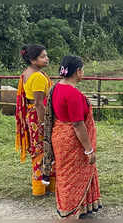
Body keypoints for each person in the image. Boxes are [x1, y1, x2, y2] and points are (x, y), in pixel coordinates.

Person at [42, 55, 101, 219]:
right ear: (78, 71)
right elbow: (78, 124)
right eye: (83, 69)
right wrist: (89, 150)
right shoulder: (72, 93)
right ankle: (69, 212)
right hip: (72, 141)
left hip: (58, 136)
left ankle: (73, 208)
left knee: (65, 176)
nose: (83, 72)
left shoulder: (56, 88)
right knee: (72, 178)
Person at [15, 44, 55, 196]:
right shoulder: (38, 76)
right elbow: (39, 103)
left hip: (31, 115)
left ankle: (41, 187)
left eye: (46, 55)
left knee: (38, 150)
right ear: (33, 60)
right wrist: (45, 123)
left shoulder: (27, 73)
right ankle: (43, 188)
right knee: (44, 149)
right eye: (43, 56)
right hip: (39, 116)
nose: (47, 58)